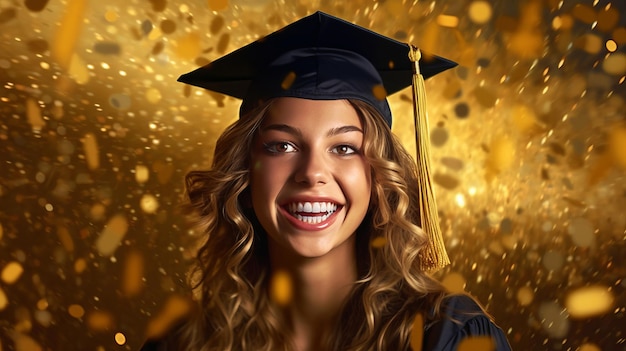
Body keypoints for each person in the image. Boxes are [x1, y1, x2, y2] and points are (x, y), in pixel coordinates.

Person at [140, 11, 512, 351]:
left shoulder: (446, 336)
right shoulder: (186, 342)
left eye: (345, 148)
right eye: (282, 145)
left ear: (379, 177)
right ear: (244, 174)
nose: (312, 173)